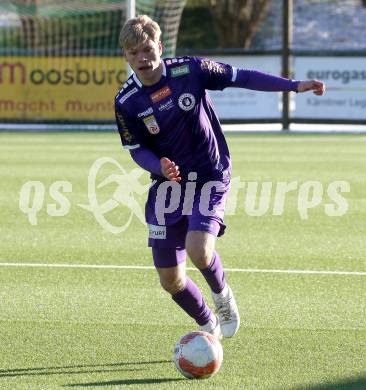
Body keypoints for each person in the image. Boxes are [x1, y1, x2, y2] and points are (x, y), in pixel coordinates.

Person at [114, 15, 325, 339]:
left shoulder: (190, 71)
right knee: (170, 280)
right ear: (126, 56)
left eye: (146, 49)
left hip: (210, 175)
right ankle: (206, 325)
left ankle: (222, 297)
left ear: (160, 46)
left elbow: (242, 77)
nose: (142, 58)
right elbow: (136, 149)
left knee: (198, 249)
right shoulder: (126, 101)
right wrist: (159, 167)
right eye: (133, 53)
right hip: (168, 187)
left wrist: (293, 85)